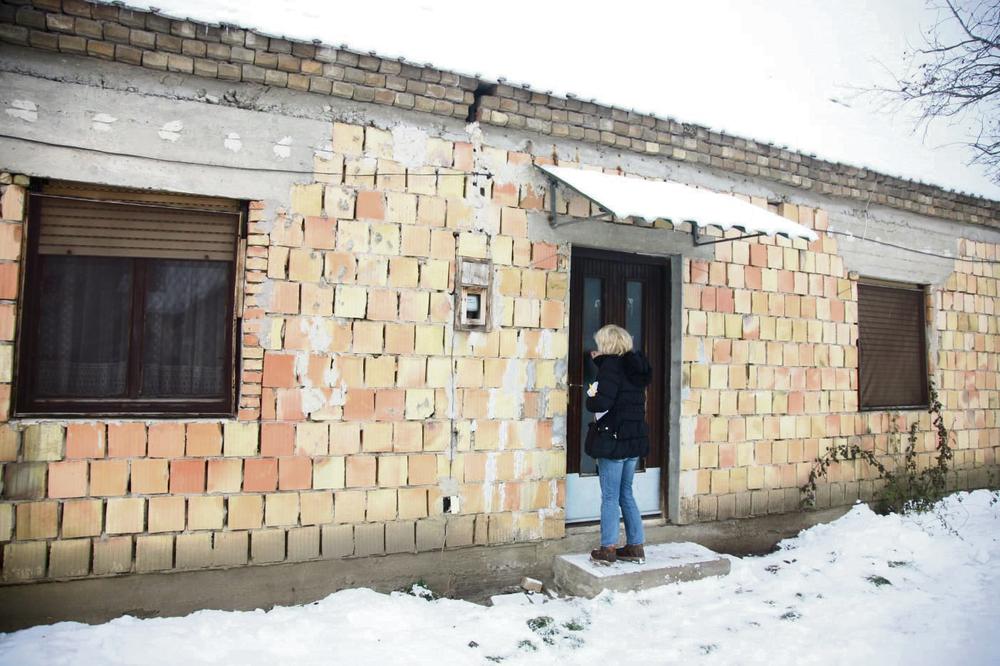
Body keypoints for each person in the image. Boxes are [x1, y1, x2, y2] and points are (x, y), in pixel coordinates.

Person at [585, 324, 652, 565]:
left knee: (610, 496)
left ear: (608, 344)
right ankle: (635, 546)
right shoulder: (635, 367)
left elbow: (602, 402)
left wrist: (590, 397)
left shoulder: (610, 367)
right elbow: (622, 391)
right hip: (633, 440)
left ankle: (608, 548)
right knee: (626, 493)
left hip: (613, 439)